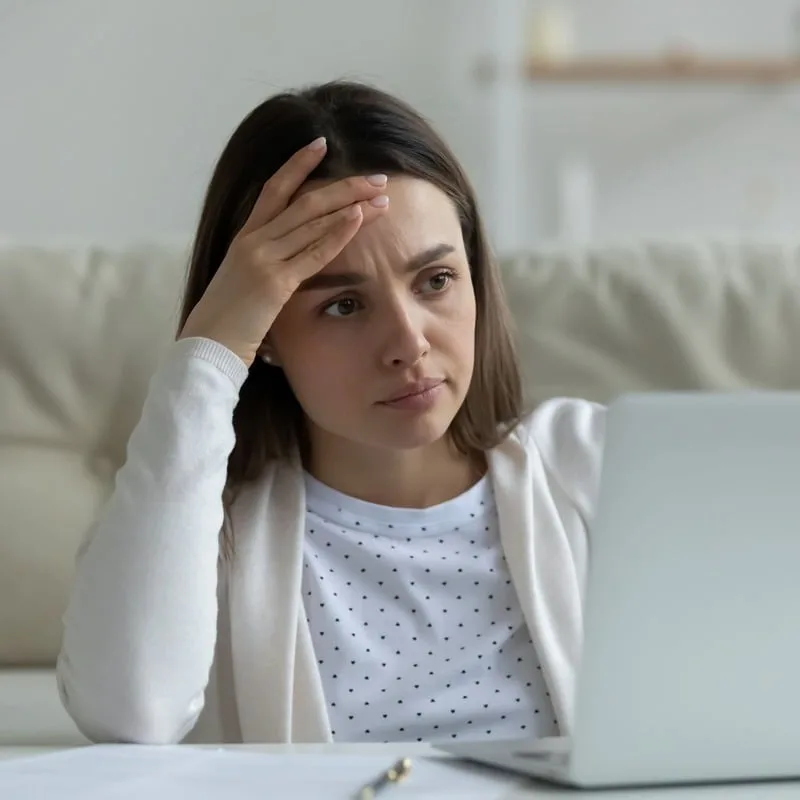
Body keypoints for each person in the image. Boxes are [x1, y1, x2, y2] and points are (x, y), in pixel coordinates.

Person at [56, 81, 605, 746]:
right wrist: (211, 350)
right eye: (342, 306)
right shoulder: (198, 528)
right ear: (267, 338)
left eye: (435, 281)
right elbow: (127, 714)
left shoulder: (598, 464)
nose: (408, 344)